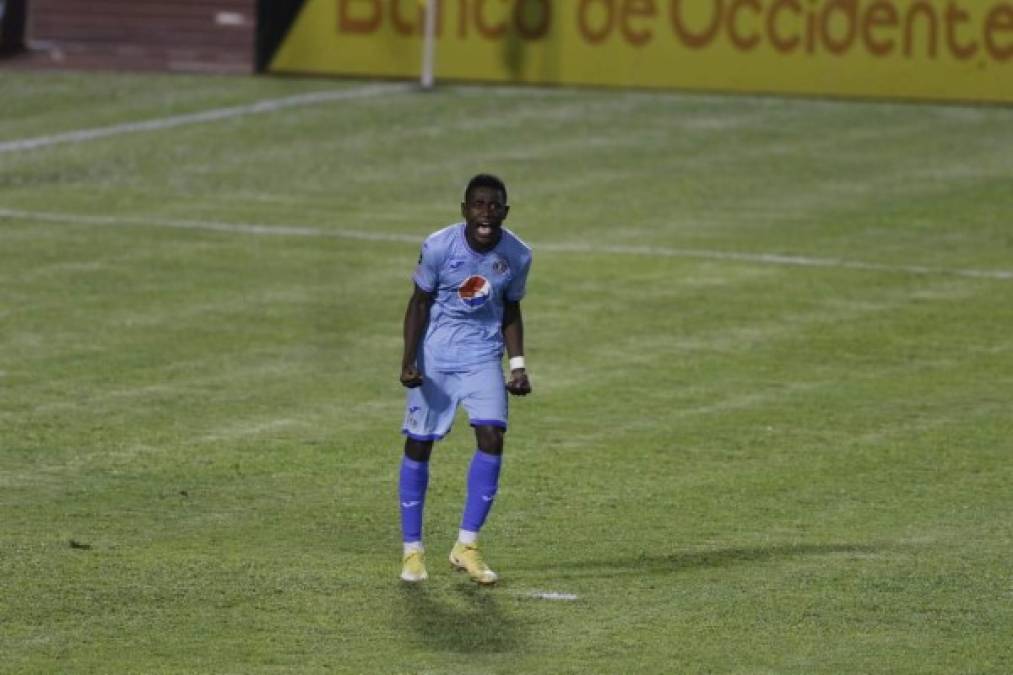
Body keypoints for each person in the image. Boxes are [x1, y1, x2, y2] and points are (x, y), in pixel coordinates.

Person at [398, 173, 532, 585]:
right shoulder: (439, 246)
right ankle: (412, 551)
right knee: (419, 445)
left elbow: (510, 309)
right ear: (464, 210)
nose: (486, 214)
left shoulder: (518, 255)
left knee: (492, 435)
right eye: (478, 205)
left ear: (505, 212)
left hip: (480, 358)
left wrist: (518, 364)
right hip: (436, 357)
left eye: (494, 206)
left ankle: (466, 546)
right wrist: (408, 360)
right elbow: (419, 303)